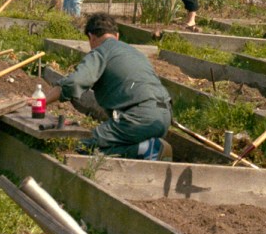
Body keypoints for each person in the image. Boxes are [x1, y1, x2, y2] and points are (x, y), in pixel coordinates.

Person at [47, 13, 172, 160]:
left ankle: (146, 150)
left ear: (91, 37)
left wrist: (42, 101)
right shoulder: (134, 53)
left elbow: (74, 82)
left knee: (84, 146)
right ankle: (146, 149)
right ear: (117, 35)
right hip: (164, 116)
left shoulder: (101, 52)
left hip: (138, 117)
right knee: (117, 140)